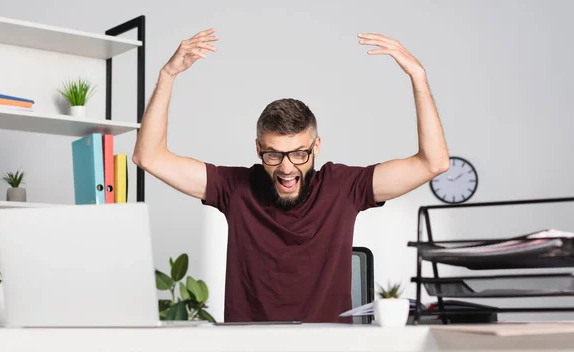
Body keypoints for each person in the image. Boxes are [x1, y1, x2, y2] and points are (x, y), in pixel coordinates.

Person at [132, 28, 449, 323]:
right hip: (252, 347)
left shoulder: (344, 187)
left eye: (299, 153)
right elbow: (149, 157)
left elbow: (433, 163)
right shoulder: (235, 187)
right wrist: (167, 75)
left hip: (327, 348)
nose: (287, 167)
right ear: (258, 149)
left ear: (317, 146)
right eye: (274, 154)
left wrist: (418, 78)